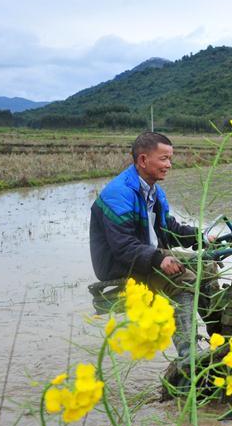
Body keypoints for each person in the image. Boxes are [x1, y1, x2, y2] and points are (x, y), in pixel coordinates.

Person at [89, 131, 221, 358]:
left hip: (148, 253)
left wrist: (200, 237)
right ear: (142, 160)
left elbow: (168, 227)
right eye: (164, 159)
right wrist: (159, 259)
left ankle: (218, 335)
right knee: (183, 278)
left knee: (207, 266)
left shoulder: (154, 191)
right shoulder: (118, 193)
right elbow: (122, 246)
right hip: (121, 263)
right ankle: (189, 354)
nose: (169, 165)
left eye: (170, 158)